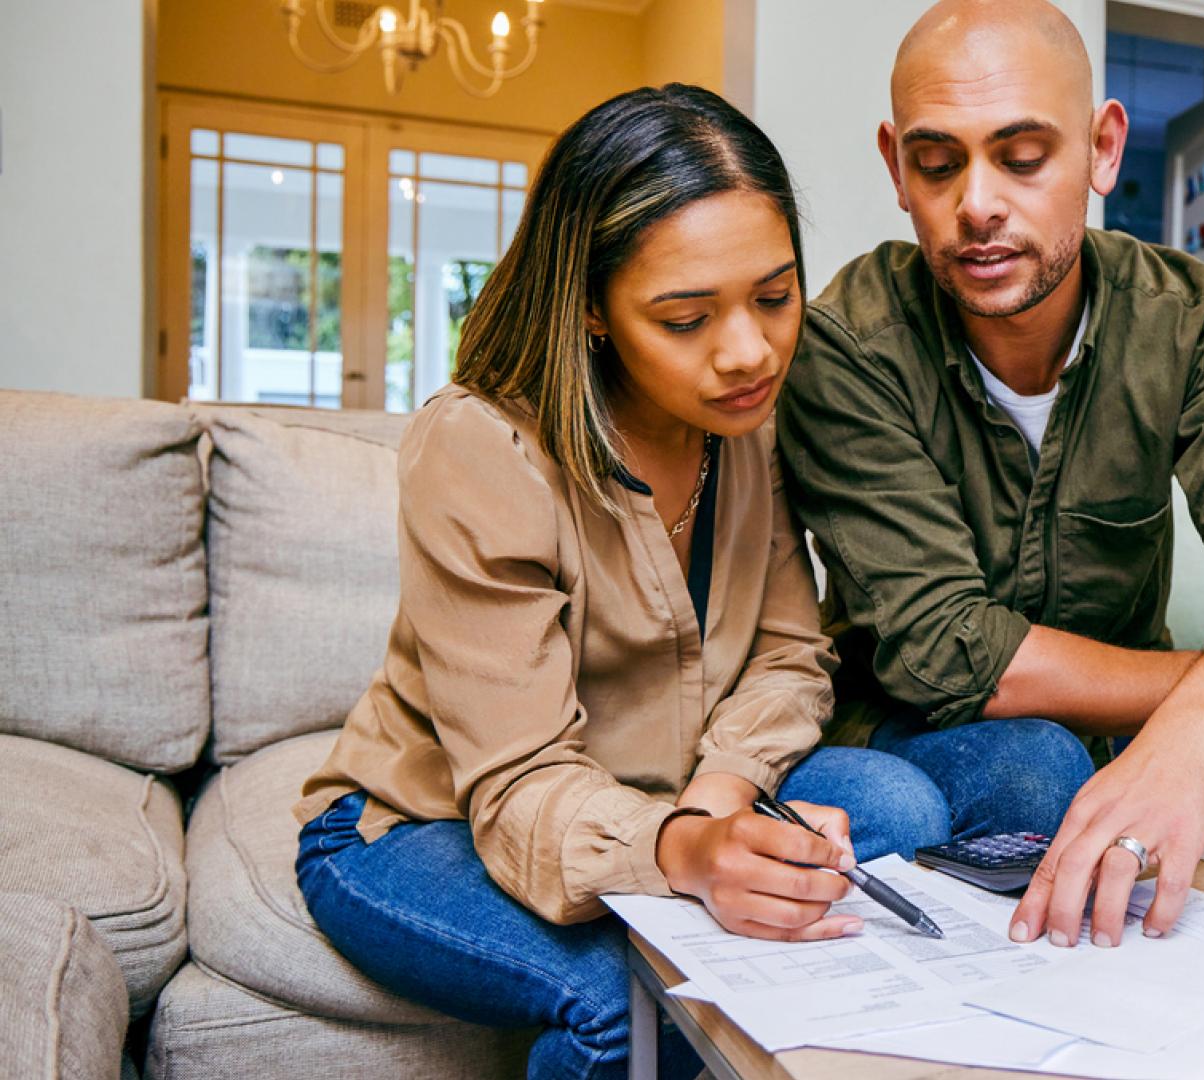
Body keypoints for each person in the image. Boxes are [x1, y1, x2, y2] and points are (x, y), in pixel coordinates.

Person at [293, 85, 959, 1080]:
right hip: (426, 824)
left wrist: (720, 801)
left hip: (667, 790)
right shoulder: (479, 448)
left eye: (775, 296)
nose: (749, 352)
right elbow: (517, 786)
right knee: (627, 998)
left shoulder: (748, 417)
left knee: (898, 811)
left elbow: (786, 652)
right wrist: (689, 851)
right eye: (685, 318)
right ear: (595, 311)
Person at [775, 0, 1204, 957]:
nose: (978, 204)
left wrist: (1201, 731)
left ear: (1102, 150)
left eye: (1021, 156)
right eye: (938, 163)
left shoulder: (1191, 315)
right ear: (896, 166)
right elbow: (955, 650)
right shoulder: (844, 343)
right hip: (926, 725)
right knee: (1037, 768)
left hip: (1139, 729)